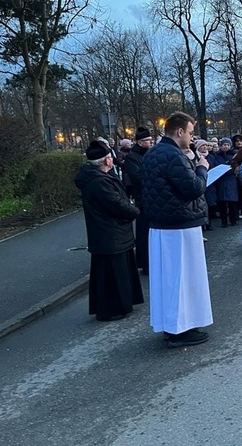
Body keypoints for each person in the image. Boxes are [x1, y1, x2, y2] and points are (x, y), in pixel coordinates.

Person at [142, 111, 212, 348]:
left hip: (162, 225)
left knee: (169, 280)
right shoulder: (173, 156)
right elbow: (193, 188)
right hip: (179, 226)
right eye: (191, 132)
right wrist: (202, 168)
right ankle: (178, 329)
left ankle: (174, 325)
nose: (192, 138)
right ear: (180, 131)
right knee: (182, 279)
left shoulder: (152, 154)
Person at [75, 140, 143, 321]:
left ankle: (120, 305)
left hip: (111, 233)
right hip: (110, 233)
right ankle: (113, 309)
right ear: (106, 161)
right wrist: (135, 211)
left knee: (114, 273)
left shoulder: (98, 178)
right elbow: (116, 204)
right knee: (113, 275)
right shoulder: (98, 182)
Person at [122, 126, 154, 275]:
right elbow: (137, 177)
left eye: (150, 140)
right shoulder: (131, 157)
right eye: (147, 140)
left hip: (153, 196)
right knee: (144, 231)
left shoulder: (150, 153)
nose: (150, 143)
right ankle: (145, 262)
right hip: (142, 197)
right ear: (139, 142)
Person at [215, 137, 239, 226]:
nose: (226, 146)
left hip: (231, 180)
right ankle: (224, 221)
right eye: (224, 145)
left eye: (228, 145)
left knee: (232, 202)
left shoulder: (234, 155)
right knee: (222, 203)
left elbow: (236, 166)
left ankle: (233, 220)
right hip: (221, 180)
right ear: (221, 146)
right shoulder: (217, 156)